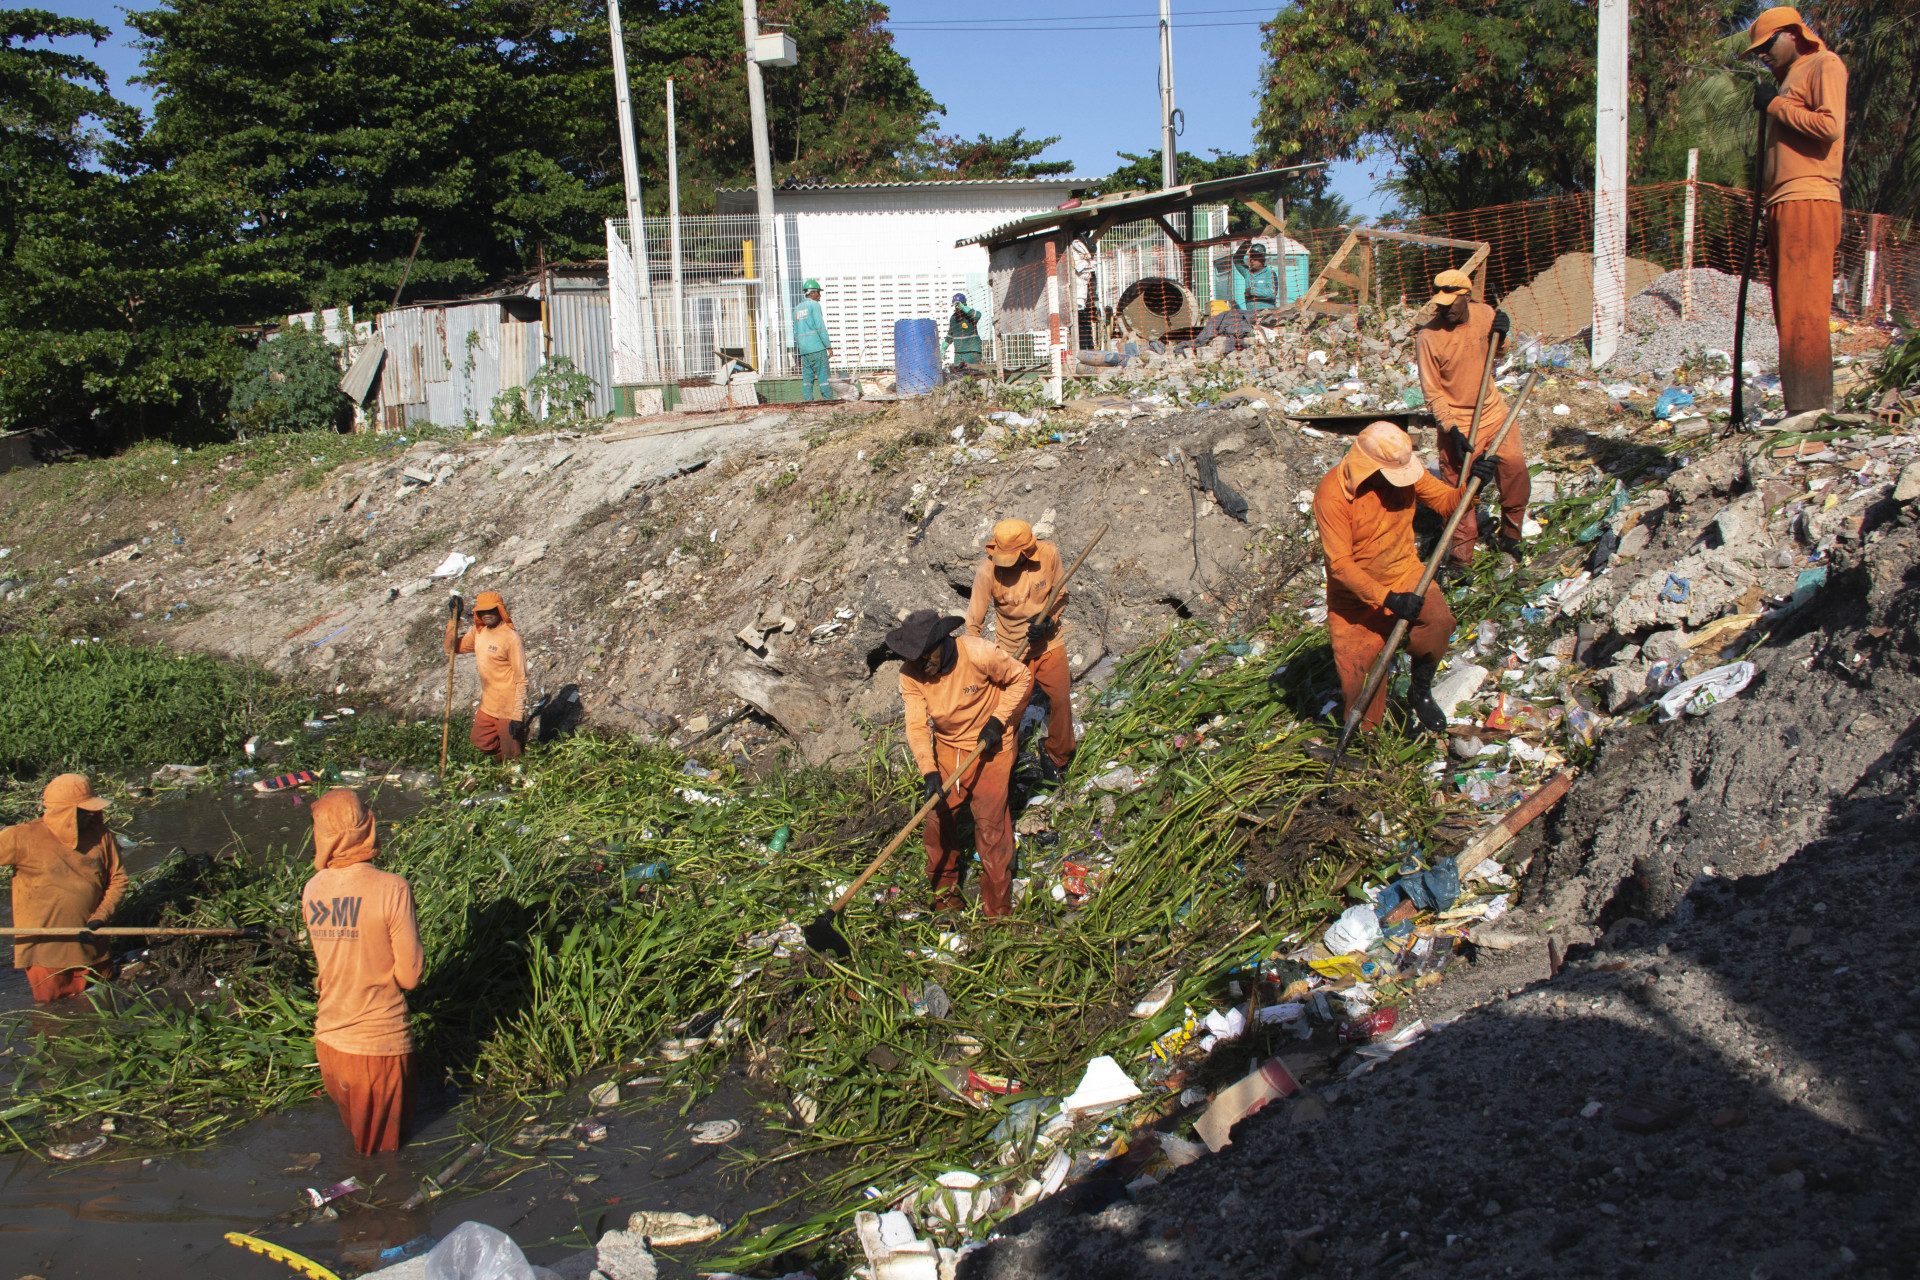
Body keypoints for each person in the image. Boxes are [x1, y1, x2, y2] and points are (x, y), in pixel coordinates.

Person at [1313, 421, 1495, 733]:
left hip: (1404, 572)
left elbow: (1446, 502)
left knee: (1439, 622)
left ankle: (1419, 692)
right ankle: (1368, 745)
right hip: (1355, 599)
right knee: (1362, 691)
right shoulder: (1333, 494)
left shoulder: (1404, 471)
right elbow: (1341, 565)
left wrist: (1474, 483)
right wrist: (1389, 600)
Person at [302, 788, 424, 1155]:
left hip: (329, 1044)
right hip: (378, 1048)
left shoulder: (312, 889)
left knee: (360, 1145)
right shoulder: (392, 888)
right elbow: (410, 977)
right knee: (382, 1165)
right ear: (365, 827)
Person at [887, 609, 1032, 917]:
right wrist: (929, 772)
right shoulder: (911, 674)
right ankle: (945, 901)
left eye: (926, 656)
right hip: (949, 747)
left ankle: (998, 911)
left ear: (943, 642)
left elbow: (1022, 677)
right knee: (937, 819)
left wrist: (998, 720)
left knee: (991, 827)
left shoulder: (979, 653)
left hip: (990, 745)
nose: (922, 665)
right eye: (915, 659)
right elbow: (915, 725)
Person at [1748, 7, 1847, 414]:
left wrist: (1774, 106)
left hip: (1809, 196)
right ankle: (1803, 406)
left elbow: (1829, 127)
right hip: (1785, 200)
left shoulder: (1823, 64)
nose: (1763, 55)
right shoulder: (1787, 79)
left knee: (1804, 305)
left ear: (1792, 34)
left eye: (1767, 44)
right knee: (1790, 308)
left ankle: (1811, 411)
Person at [1416, 268, 1529, 566]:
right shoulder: (1429, 336)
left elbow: (1500, 353)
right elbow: (1433, 392)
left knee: (1515, 471)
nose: (1444, 309)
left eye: (1451, 302)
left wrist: (1502, 334)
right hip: (1458, 422)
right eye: (1439, 303)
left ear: (1466, 297)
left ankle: (1511, 536)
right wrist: (1451, 430)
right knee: (1460, 493)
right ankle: (1459, 559)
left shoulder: (1485, 314)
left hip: (1493, 412)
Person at [964, 519, 1076, 783]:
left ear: (1027, 551)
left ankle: (1057, 755)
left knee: (1060, 699)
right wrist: (975, 663)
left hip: (1049, 642)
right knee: (1010, 712)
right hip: (1013, 652)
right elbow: (973, 623)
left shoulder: (1048, 554)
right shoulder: (987, 571)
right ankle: (1004, 766)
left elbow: (1061, 594)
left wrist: (1049, 620)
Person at [0, 774, 127, 1001]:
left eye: (91, 809)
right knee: (50, 1015)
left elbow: (118, 880)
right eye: (83, 810)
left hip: (92, 945)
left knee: (101, 1006)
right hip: (46, 950)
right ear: (63, 813)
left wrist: (100, 917)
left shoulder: (102, 836)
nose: (91, 814)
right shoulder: (21, 837)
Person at [444, 590, 528, 763]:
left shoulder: (511, 638)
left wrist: (517, 715)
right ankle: (501, 763)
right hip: (488, 704)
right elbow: (451, 648)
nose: (487, 615)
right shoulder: (478, 632)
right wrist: (454, 619)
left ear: (500, 610)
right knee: (481, 741)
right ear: (477, 613)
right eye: (482, 611)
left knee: (513, 754)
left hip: (508, 706)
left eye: (491, 610)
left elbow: (521, 678)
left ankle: (515, 777)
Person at [793, 279, 833, 402]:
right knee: (824, 376)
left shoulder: (797, 308)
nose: (819, 296)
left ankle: (808, 401)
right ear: (813, 292)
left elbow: (795, 331)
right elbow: (820, 327)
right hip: (817, 348)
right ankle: (828, 401)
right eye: (818, 293)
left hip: (804, 350)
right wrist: (828, 346)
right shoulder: (814, 305)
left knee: (807, 378)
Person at [1231, 243, 1281, 312]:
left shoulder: (1270, 274)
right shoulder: (1247, 273)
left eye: (1255, 257)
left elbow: (1272, 293)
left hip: (1267, 314)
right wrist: (1246, 243)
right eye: (1251, 257)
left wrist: (1252, 291)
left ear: (1262, 259)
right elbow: (1236, 259)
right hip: (1251, 314)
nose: (1252, 260)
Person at [943, 293, 984, 372]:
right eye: (955, 305)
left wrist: (964, 308)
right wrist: (943, 348)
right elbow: (950, 335)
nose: (957, 307)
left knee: (974, 373)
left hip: (972, 351)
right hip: (959, 353)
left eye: (958, 305)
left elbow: (977, 315)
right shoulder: (953, 318)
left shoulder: (970, 315)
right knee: (959, 374)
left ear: (964, 304)